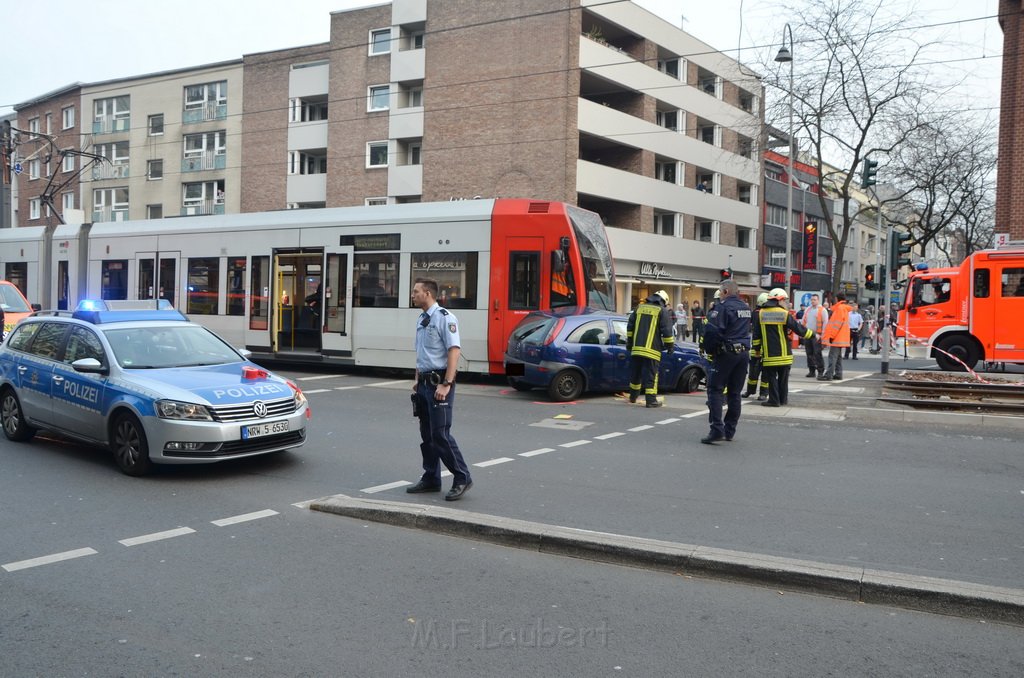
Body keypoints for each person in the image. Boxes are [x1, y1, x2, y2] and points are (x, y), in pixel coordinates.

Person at [407, 278, 473, 501]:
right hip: (424, 383)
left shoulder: (445, 317)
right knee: (427, 435)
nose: (413, 294)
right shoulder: (421, 319)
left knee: (440, 434)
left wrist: (447, 383)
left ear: (427, 293)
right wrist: (417, 378)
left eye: (416, 291)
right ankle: (432, 478)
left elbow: (454, 350)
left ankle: (462, 477)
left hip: (439, 384)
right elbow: (422, 353)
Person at [700, 279, 752, 444]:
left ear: (725, 292)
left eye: (721, 291)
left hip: (726, 353)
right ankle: (729, 430)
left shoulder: (722, 308)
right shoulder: (745, 308)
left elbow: (713, 332)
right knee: (735, 394)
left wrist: (709, 350)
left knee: (715, 390)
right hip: (743, 354)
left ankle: (716, 429)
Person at [754, 288, 815, 408]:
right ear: (779, 299)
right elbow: (798, 329)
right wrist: (812, 335)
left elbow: (756, 335)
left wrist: (757, 350)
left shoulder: (761, 313)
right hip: (784, 354)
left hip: (770, 355)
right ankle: (783, 400)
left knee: (771, 379)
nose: (786, 303)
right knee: (783, 379)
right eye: (785, 300)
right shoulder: (784, 314)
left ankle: (773, 400)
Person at [626, 289, 675, 408]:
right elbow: (667, 332)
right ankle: (651, 400)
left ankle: (633, 397)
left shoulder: (639, 308)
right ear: (663, 301)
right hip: (652, 350)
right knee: (651, 375)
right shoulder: (662, 311)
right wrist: (670, 347)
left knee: (635, 373)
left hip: (637, 348)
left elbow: (630, 327)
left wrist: (630, 344)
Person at [742, 292, 770, 401]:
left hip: (757, 347)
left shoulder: (755, 312)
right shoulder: (762, 313)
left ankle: (751, 391)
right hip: (762, 348)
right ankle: (762, 393)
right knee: (764, 373)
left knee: (754, 371)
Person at [819, 293, 852, 381]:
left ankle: (828, 375)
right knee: (837, 357)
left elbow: (836, 324)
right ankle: (838, 374)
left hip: (836, 337)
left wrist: (831, 336)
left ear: (837, 299)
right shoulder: (844, 308)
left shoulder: (840, 308)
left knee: (832, 357)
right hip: (841, 337)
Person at [800, 293, 828, 378]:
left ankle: (820, 371)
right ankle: (811, 371)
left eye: (814, 300)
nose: (812, 301)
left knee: (817, 353)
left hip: (817, 335)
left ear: (818, 300)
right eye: (811, 300)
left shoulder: (822, 310)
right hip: (808, 334)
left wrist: (822, 335)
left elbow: (825, 323)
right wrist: (802, 332)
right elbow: (803, 321)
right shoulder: (808, 309)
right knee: (809, 353)